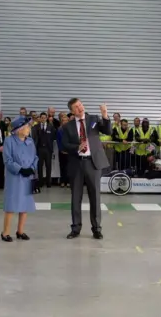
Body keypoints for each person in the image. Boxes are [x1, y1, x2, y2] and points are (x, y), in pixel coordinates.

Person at [61, 98, 110, 240]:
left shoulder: (93, 119)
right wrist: (76, 148)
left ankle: (96, 229)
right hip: (76, 164)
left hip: (92, 163)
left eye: (80, 104)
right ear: (72, 111)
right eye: (76, 107)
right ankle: (75, 228)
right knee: (76, 197)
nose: (80, 108)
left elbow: (107, 130)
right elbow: (64, 145)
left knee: (95, 196)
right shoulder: (68, 126)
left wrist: (105, 115)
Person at [1, 117, 39, 242]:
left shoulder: (30, 141)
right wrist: (20, 169)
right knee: (11, 205)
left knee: (25, 205)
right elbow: (8, 160)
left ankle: (20, 231)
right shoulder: (9, 141)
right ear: (19, 129)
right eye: (27, 126)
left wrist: (32, 168)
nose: (29, 128)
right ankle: (5, 232)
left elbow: (35, 157)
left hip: (28, 177)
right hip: (15, 177)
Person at [32, 112, 56, 191]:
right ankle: (41, 182)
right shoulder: (36, 127)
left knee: (48, 166)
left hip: (48, 149)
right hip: (39, 149)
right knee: (40, 166)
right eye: (41, 117)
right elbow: (35, 137)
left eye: (44, 118)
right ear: (40, 118)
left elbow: (53, 137)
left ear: (46, 118)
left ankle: (49, 182)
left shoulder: (50, 127)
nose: (43, 119)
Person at [56, 114, 70, 188]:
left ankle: (68, 181)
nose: (64, 122)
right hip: (62, 151)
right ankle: (62, 181)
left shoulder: (71, 129)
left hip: (69, 151)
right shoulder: (59, 129)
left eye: (66, 120)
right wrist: (61, 150)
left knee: (69, 167)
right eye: (63, 121)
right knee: (62, 166)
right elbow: (58, 141)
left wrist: (69, 150)